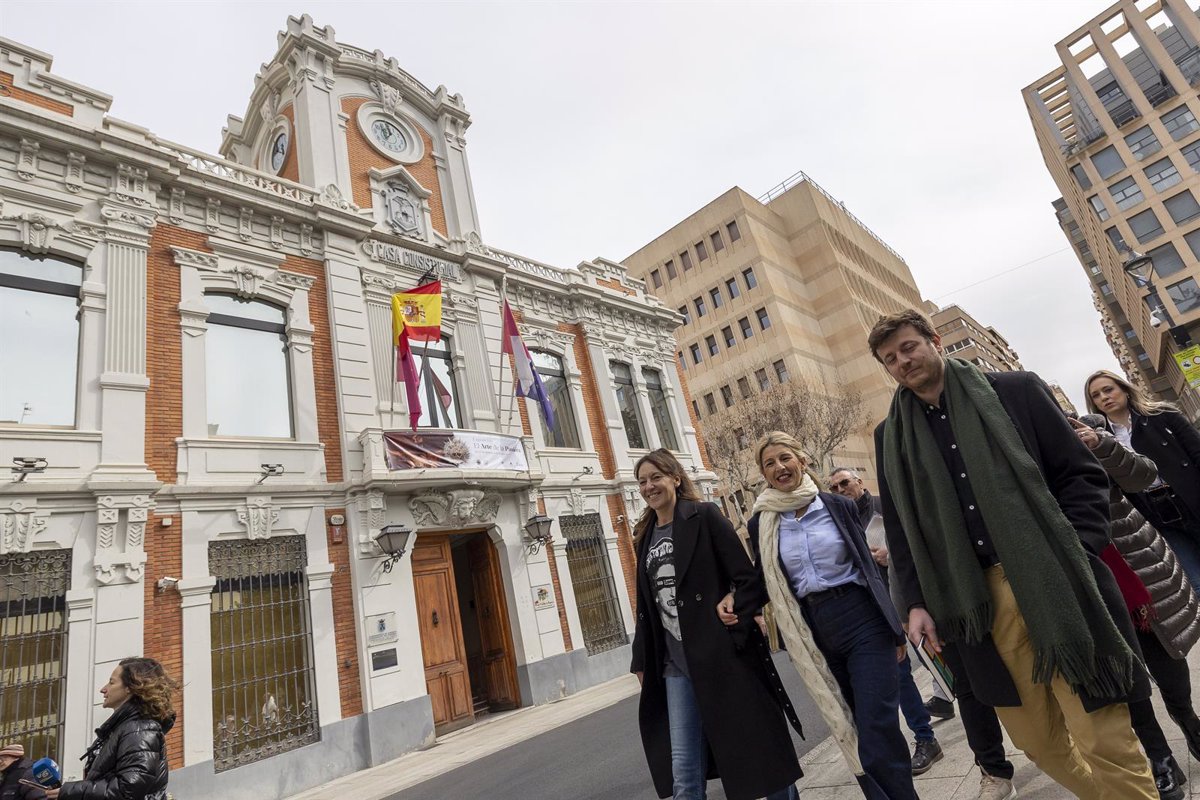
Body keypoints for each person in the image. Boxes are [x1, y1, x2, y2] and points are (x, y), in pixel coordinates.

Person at [871, 308, 1157, 800]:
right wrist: (914, 602)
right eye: (890, 358)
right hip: (978, 602)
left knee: (1101, 733)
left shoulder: (1017, 391)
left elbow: (1081, 475)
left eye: (909, 347)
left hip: (1055, 579)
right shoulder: (890, 437)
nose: (903, 361)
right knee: (1037, 744)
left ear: (934, 341)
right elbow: (901, 527)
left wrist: (1079, 550)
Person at [723, 434, 916, 799]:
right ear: (763, 474)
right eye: (769, 464)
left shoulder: (835, 506)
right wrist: (734, 600)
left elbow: (866, 567)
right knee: (851, 726)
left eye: (785, 458)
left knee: (877, 726)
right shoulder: (762, 523)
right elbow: (765, 580)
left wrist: (895, 628)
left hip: (862, 619)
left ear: (802, 460)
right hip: (813, 630)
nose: (779, 468)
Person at [630, 449, 802, 800]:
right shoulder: (644, 534)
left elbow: (746, 576)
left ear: (675, 478)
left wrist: (734, 600)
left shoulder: (704, 515)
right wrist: (641, 660)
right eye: (642, 481)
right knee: (684, 772)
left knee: (758, 750)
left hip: (722, 654)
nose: (649, 487)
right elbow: (648, 605)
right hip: (674, 664)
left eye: (656, 478)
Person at [1074, 410, 1200, 795]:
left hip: (1134, 563)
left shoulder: (1086, 430)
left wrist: (1102, 444)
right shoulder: (1010, 452)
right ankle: (1158, 754)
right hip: (1083, 574)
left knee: (1166, 653)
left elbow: (1142, 474)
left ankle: (1188, 720)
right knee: (1124, 668)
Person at [827, 467, 944, 777]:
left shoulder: (883, 507)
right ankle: (925, 738)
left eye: (845, 483)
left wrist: (890, 556)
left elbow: (914, 542)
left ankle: (942, 707)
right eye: (835, 487)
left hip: (905, 595)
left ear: (859, 482)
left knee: (931, 655)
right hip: (871, 606)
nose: (841, 490)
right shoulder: (836, 520)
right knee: (900, 672)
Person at [1085, 369, 1200, 592]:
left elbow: (1196, 452)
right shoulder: (1100, 440)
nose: (1104, 397)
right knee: (1195, 581)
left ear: (1125, 390)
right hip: (1155, 515)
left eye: (1108, 390)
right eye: (1096, 395)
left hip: (1191, 497)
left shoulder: (1162, 415)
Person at [48, 657, 177, 800]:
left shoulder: (139, 730)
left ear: (130, 688)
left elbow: (128, 790)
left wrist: (71, 791)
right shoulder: (125, 726)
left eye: (112, 682)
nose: (103, 689)